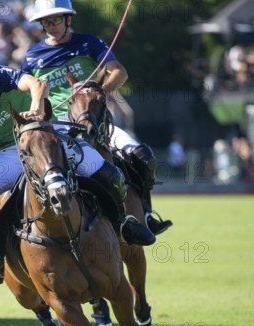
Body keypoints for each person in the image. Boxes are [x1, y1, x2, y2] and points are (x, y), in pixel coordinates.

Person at [0, 41, 154, 291]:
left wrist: (35, 108)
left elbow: (37, 83)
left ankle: (123, 222)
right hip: (10, 154)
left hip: (46, 136)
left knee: (108, 173)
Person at [22, 0, 172, 235]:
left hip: (94, 117)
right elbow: (26, 89)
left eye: (56, 20)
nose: (51, 25)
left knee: (143, 156)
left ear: (68, 19)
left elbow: (119, 72)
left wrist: (99, 93)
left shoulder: (88, 43)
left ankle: (146, 213)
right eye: (46, 21)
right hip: (58, 123)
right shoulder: (32, 56)